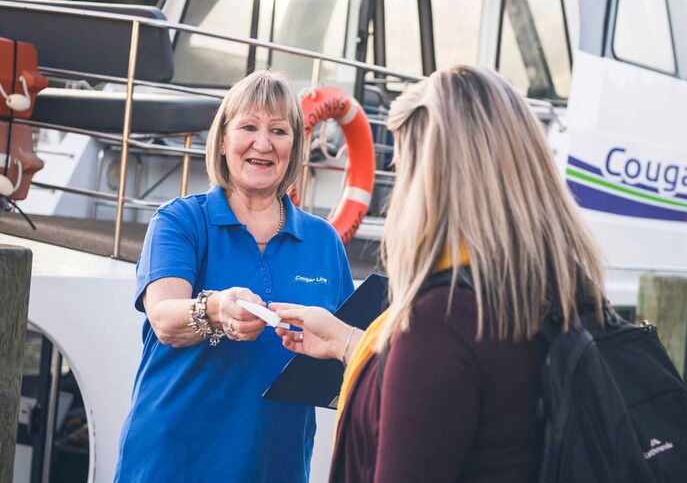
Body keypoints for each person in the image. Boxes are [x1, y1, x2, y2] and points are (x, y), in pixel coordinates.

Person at [272, 65, 608, 481]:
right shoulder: (552, 291)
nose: (397, 199)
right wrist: (345, 342)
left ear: (433, 181)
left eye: (403, 172)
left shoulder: (438, 326)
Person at [114, 70, 354, 482]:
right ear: (223, 140)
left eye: (279, 130)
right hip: (171, 464)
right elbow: (164, 317)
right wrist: (216, 310)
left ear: (294, 147)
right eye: (248, 127)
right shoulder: (181, 220)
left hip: (276, 469)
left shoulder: (324, 241)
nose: (263, 144)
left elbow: (349, 348)